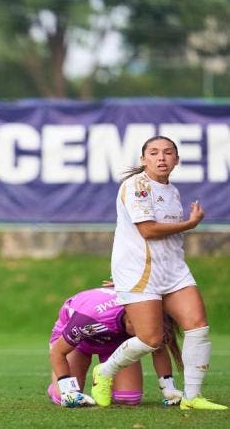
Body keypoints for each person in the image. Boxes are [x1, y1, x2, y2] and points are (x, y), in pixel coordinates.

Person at [90, 136, 227, 410]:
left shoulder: (172, 191)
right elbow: (148, 230)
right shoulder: (136, 185)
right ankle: (104, 372)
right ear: (143, 160)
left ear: (176, 159)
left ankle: (191, 397)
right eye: (153, 153)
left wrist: (185, 227)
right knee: (151, 340)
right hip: (139, 273)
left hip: (174, 270)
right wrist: (190, 224)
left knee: (198, 326)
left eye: (167, 152)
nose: (161, 157)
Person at [48, 284, 183, 407]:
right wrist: (67, 390)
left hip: (116, 340)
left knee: (128, 398)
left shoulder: (146, 314)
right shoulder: (89, 318)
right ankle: (55, 389)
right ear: (130, 321)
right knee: (65, 398)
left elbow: (158, 349)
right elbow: (57, 352)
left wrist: (169, 388)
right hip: (80, 341)